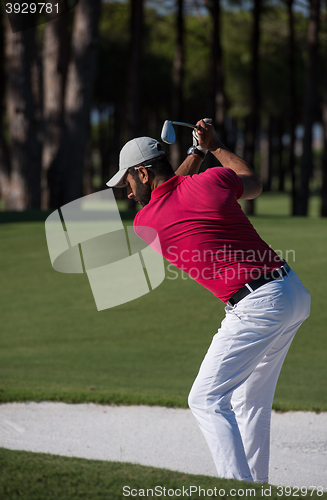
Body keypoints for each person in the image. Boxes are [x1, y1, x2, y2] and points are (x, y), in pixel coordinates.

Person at [106, 119, 311, 483]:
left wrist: (197, 153)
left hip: (256, 306)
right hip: (291, 292)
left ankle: (238, 489)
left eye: (128, 181)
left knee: (205, 400)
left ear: (142, 172)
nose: (126, 191)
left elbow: (168, 190)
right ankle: (255, 488)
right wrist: (211, 147)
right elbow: (252, 181)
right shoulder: (213, 179)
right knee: (250, 401)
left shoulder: (145, 222)